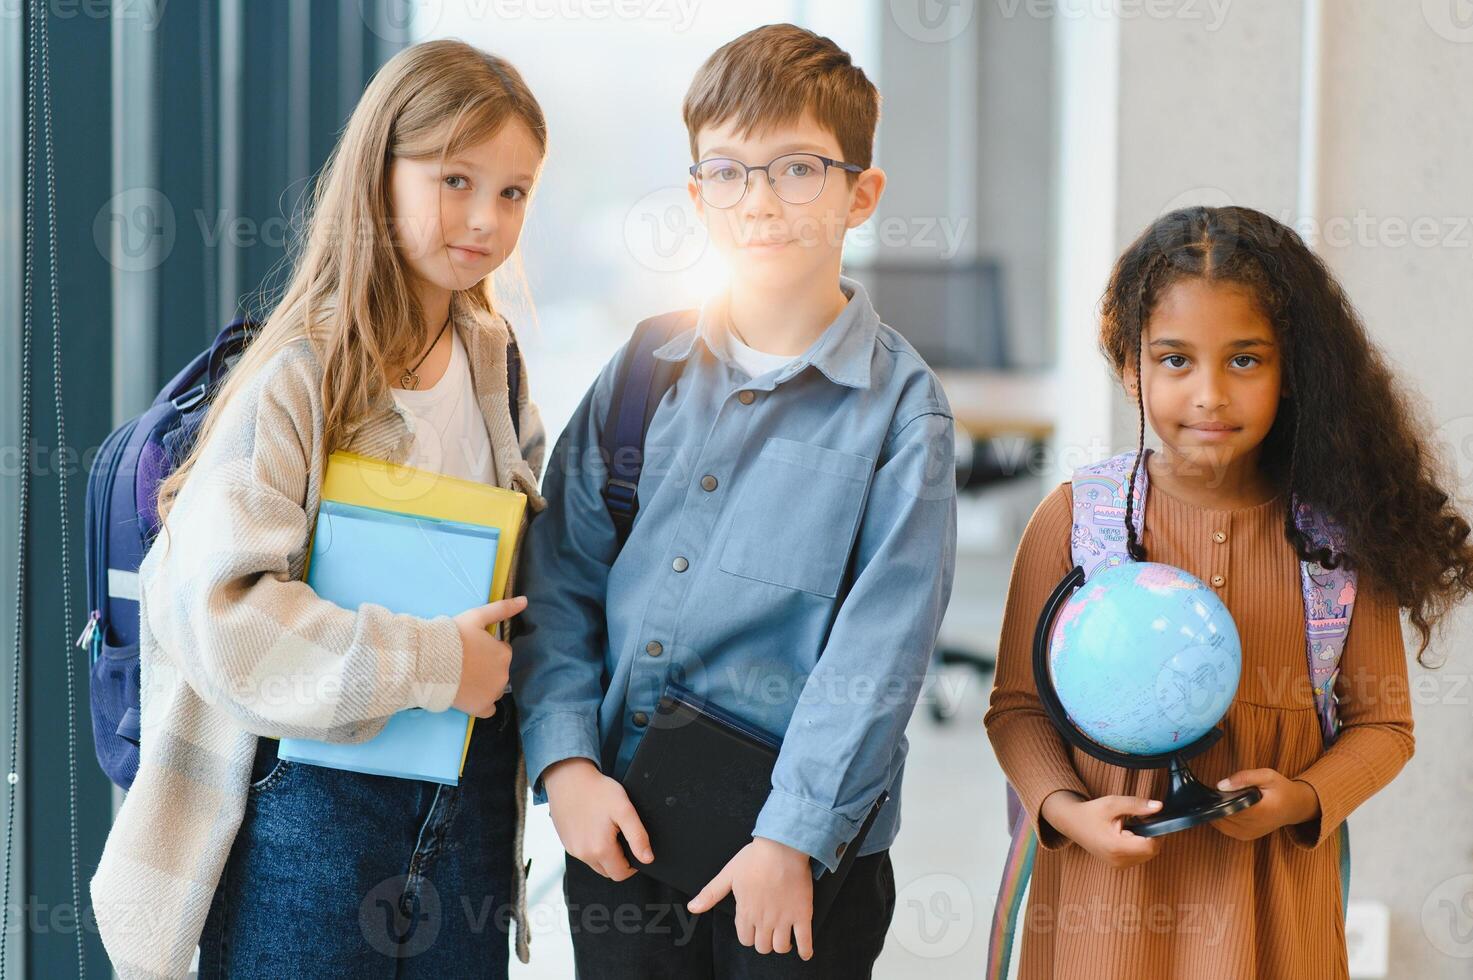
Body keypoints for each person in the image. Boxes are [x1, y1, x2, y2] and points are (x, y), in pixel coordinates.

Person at [90, 39, 550, 979]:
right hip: (309, 810)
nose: (485, 219)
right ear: (378, 174)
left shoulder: (494, 361)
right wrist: (433, 661)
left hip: (462, 801)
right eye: (454, 178)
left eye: (512, 192)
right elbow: (223, 621)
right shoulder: (301, 373)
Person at [510, 22, 958, 980]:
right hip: (620, 829)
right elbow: (560, 579)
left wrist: (791, 839)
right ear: (696, 195)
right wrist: (566, 765)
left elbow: (878, 652)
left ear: (860, 194)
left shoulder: (902, 411)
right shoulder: (643, 371)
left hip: (793, 862)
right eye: (727, 171)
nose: (758, 201)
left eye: (797, 168)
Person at [985, 205, 1473, 979]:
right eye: (1174, 360)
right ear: (1127, 365)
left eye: (1244, 360)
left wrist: (1302, 798)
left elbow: (1385, 725)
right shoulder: (1077, 519)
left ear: (1292, 372)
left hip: (1272, 910)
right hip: (1101, 913)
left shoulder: (1336, 541)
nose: (1209, 394)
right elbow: (1014, 707)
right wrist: (1066, 812)